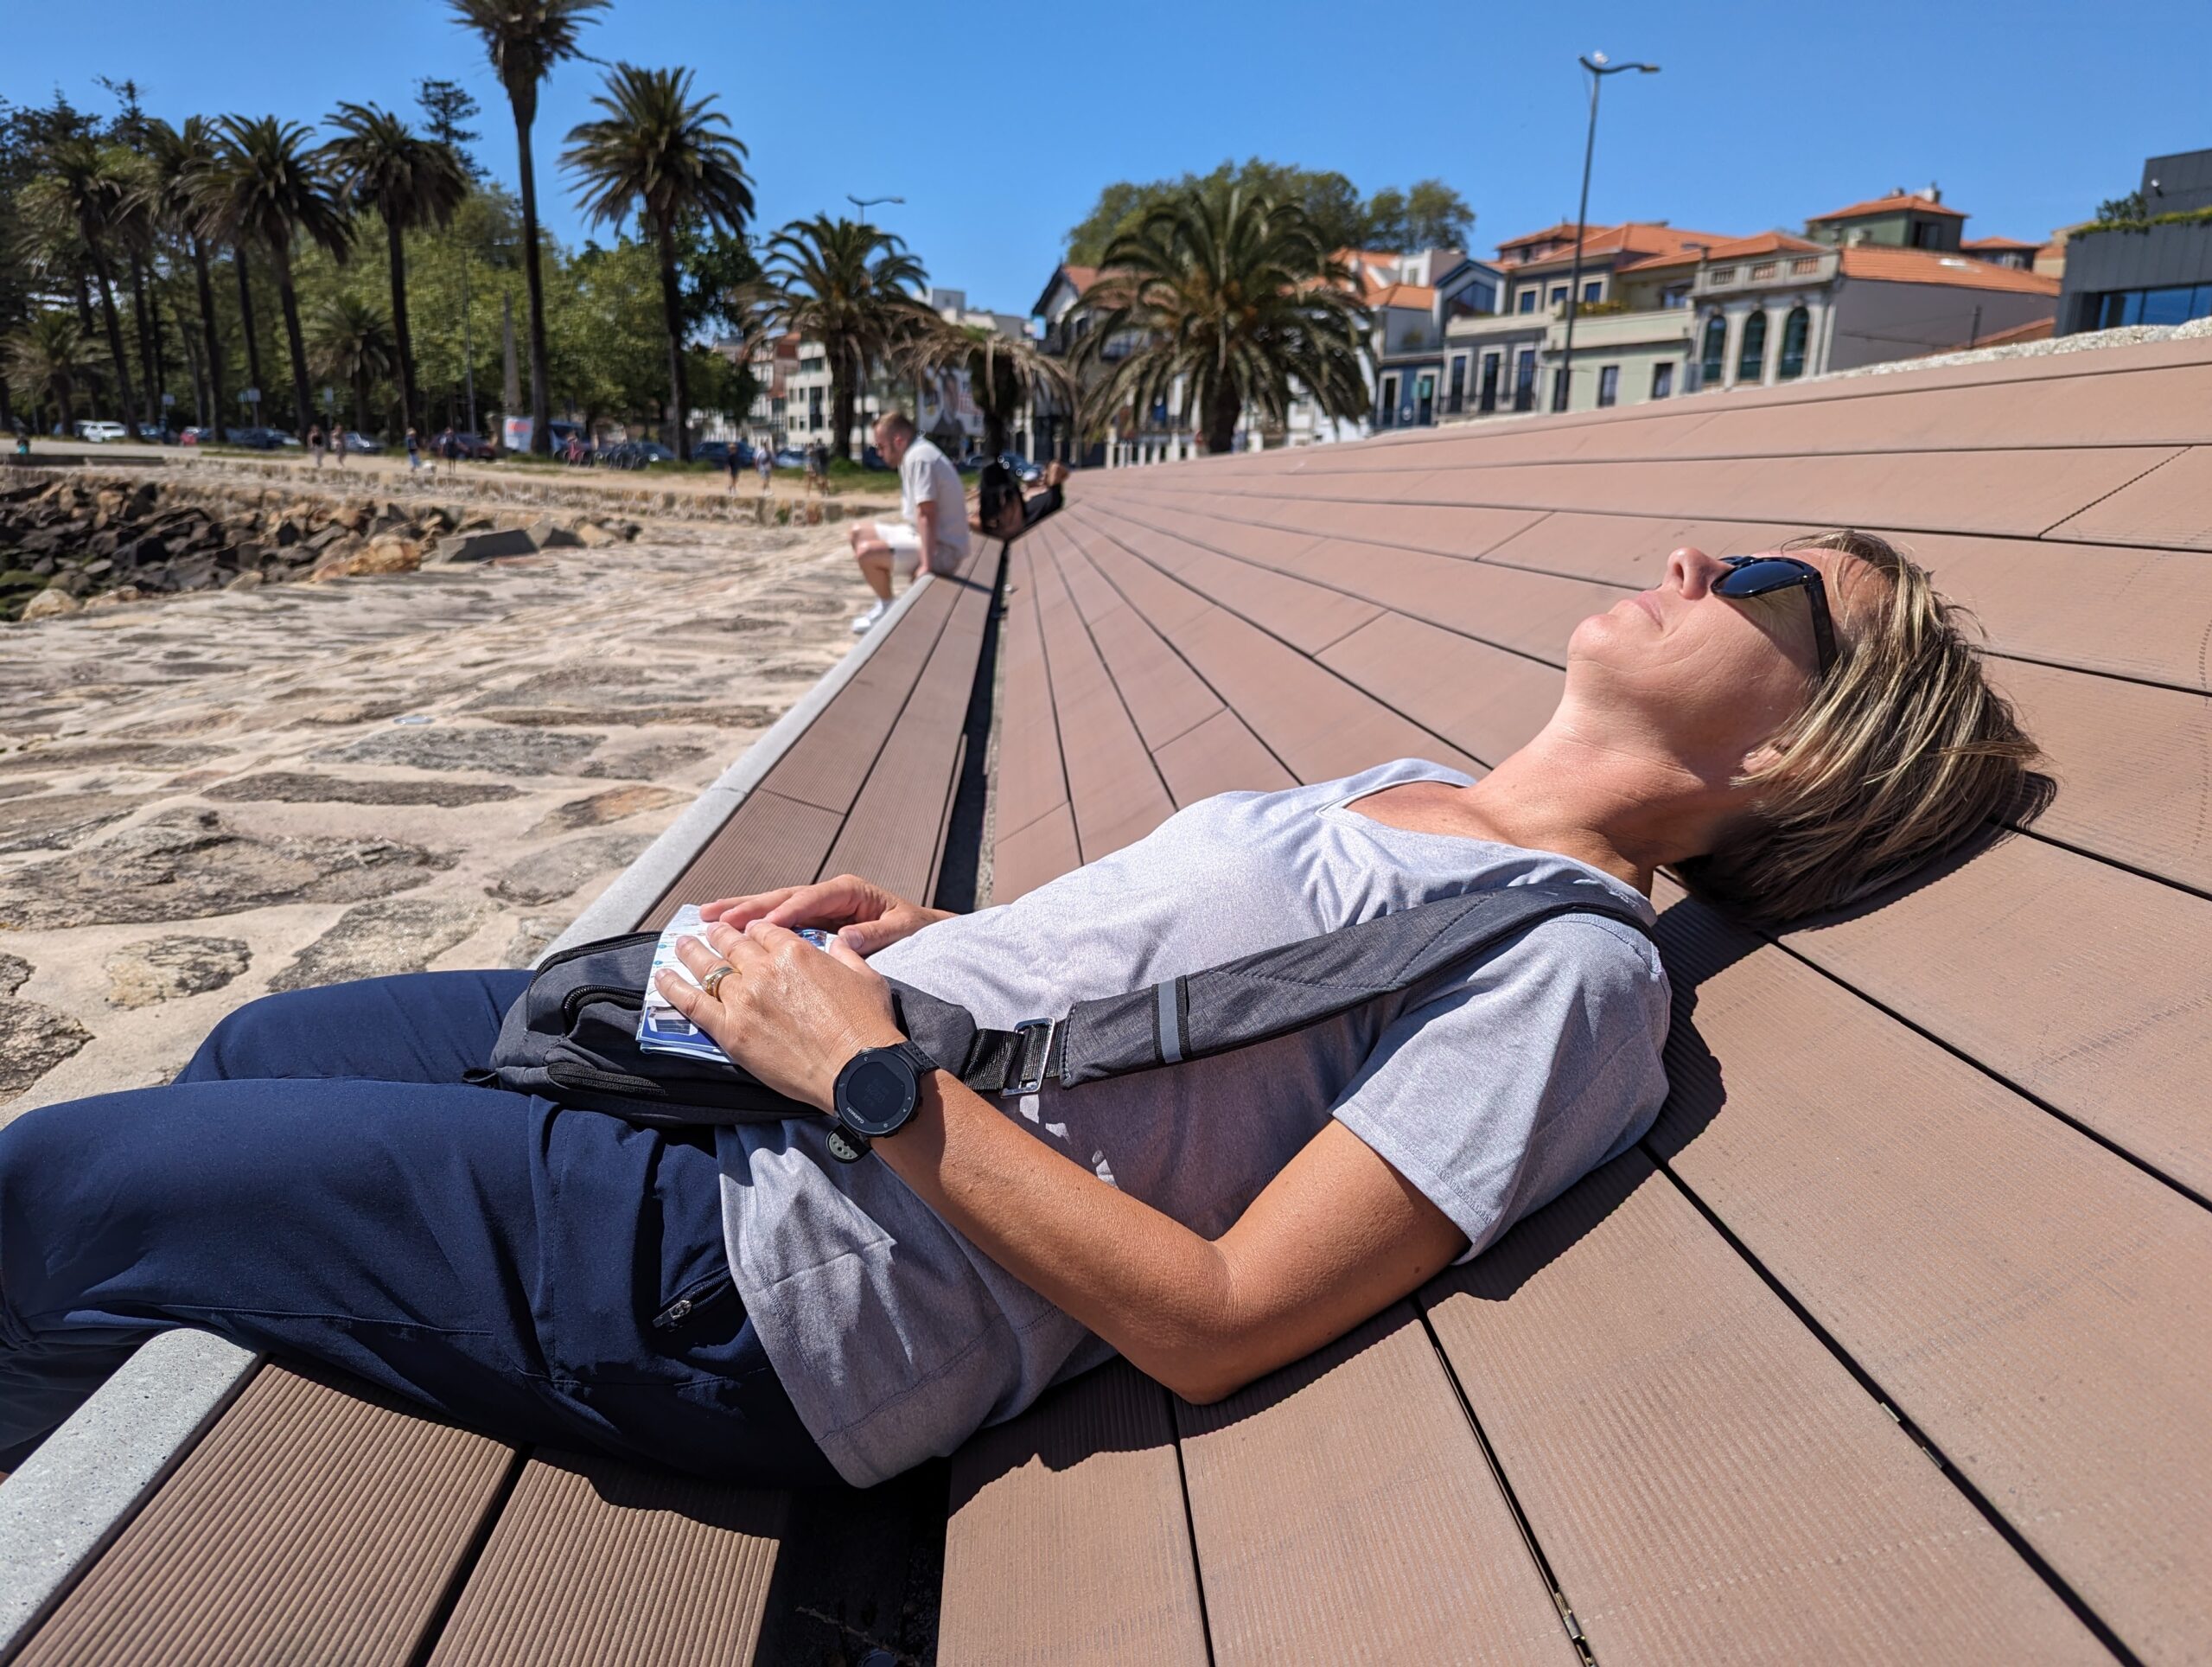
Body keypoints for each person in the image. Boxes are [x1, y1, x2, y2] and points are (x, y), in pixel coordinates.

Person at [0, 533, 2041, 1491]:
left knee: (70, 1187)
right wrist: (943, 935)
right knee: (254, 1050)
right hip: (743, 1081)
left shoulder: (1573, 973)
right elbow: (1176, 1008)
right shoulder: (1408, 789)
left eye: (1764, 584)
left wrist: (871, 1069)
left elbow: (1218, 1317)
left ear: (1801, 747)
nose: (1691, 555)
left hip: (778, 1268)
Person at [848, 411, 972, 634]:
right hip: (921, 536)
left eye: (881, 447)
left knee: (866, 553)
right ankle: (886, 604)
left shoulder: (920, 458)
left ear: (899, 441)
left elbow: (927, 513)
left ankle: (888, 609)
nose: (879, 453)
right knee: (857, 533)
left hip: (944, 550)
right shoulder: (912, 455)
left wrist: (926, 566)